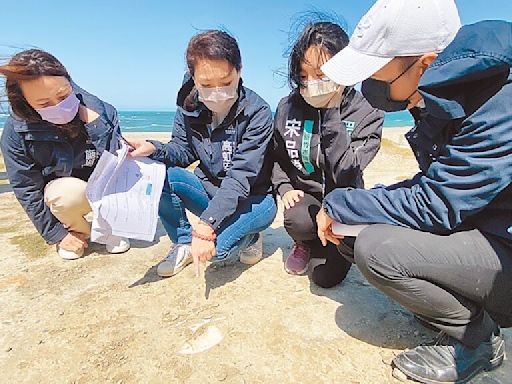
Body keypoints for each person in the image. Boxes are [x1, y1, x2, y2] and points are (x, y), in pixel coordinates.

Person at [317, 0, 512, 383]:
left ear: (424, 63)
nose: (368, 83)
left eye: (376, 70)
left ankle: (479, 343)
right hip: (486, 230)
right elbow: (442, 182)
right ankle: (457, 310)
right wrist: (353, 209)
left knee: (376, 249)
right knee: (356, 237)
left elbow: (437, 204)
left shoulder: (499, 101)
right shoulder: (450, 95)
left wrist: (340, 202)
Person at [128, 30, 277, 278]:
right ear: (193, 77)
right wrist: (154, 148)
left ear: (239, 70)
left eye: (226, 81)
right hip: (210, 191)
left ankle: (250, 234)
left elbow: (241, 176)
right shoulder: (188, 106)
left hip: (254, 198)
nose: (217, 91)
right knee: (160, 175)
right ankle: (182, 243)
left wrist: (206, 226)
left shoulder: (258, 112)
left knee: (218, 252)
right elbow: (182, 151)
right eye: (206, 85)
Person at [272, 20, 383, 288]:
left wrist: (331, 112)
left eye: (322, 75)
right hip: (307, 198)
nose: (312, 84)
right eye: (304, 76)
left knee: (325, 280)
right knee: (295, 216)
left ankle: (336, 245)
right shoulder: (288, 106)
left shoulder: (368, 110)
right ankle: (305, 243)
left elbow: (348, 172)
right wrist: (284, 186)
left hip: (345, 201)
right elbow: (277, 155)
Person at [0, 49, 130, 260]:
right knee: (65, 192)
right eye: (44, 104)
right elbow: (26, 187)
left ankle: (111, 225)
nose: (58, 106)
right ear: (25, 102)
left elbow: (119, 163)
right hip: (63, 193)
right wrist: (56, 233)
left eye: (63, 96)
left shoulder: (101, 109)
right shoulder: (17, 131)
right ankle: (77, 231)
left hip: (103, 190)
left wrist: (96, 124)